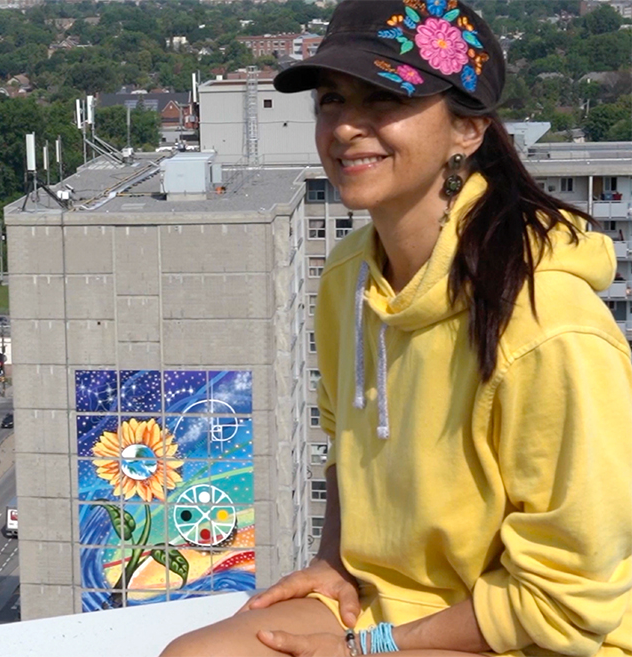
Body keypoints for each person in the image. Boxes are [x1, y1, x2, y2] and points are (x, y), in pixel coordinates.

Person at [163, 1, 632, 656]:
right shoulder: (350, 278)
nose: (347, 127)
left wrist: (371, 647)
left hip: (528, 629)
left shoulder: (550, 327)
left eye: (383, 99)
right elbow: (345, 446)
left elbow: (569, 601)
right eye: (332, 99)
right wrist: (333, 559)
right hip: (388, 601)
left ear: (467, 128)